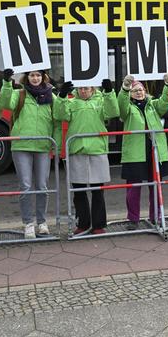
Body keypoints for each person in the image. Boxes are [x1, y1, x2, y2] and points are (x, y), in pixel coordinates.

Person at [0, 69, 61, 239]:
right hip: (21, 146)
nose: (35, 78)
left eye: (38, 75)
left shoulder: (51, 97)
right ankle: (28, 223)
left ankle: (42, 222)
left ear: (43, 77)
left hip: (42, 146)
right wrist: (6, 83)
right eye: (32, 75)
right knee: (25, 187)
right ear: (27, 77)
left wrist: (56, 145)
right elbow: (5, 104)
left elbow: (57, 122)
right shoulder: (19, 94)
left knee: (42, 186)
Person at [55, 79, 119, 235]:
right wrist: (62, 96)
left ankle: (98, 225)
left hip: (97, 149)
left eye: (86, 88)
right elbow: (59, 114)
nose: (83, 90)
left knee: (98, 191)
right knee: (79, 191)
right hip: (78, 150)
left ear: (92, 88)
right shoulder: (71, 102)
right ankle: (82, 224)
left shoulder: (101, 100)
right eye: (81, 88)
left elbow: (113, 112)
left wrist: (110, 92)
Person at [118, 73, 168, 230]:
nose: (139, 92)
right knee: (133, 189)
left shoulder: (153, 105)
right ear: (130, 93)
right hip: (135, 152)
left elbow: (166, 102)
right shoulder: (128, 108)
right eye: (135, 90)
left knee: (155, 186)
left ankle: (155, 216)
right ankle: (133, 219)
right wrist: (124, 89)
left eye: (141, 89)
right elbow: (121, 106)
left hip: (154, 150)